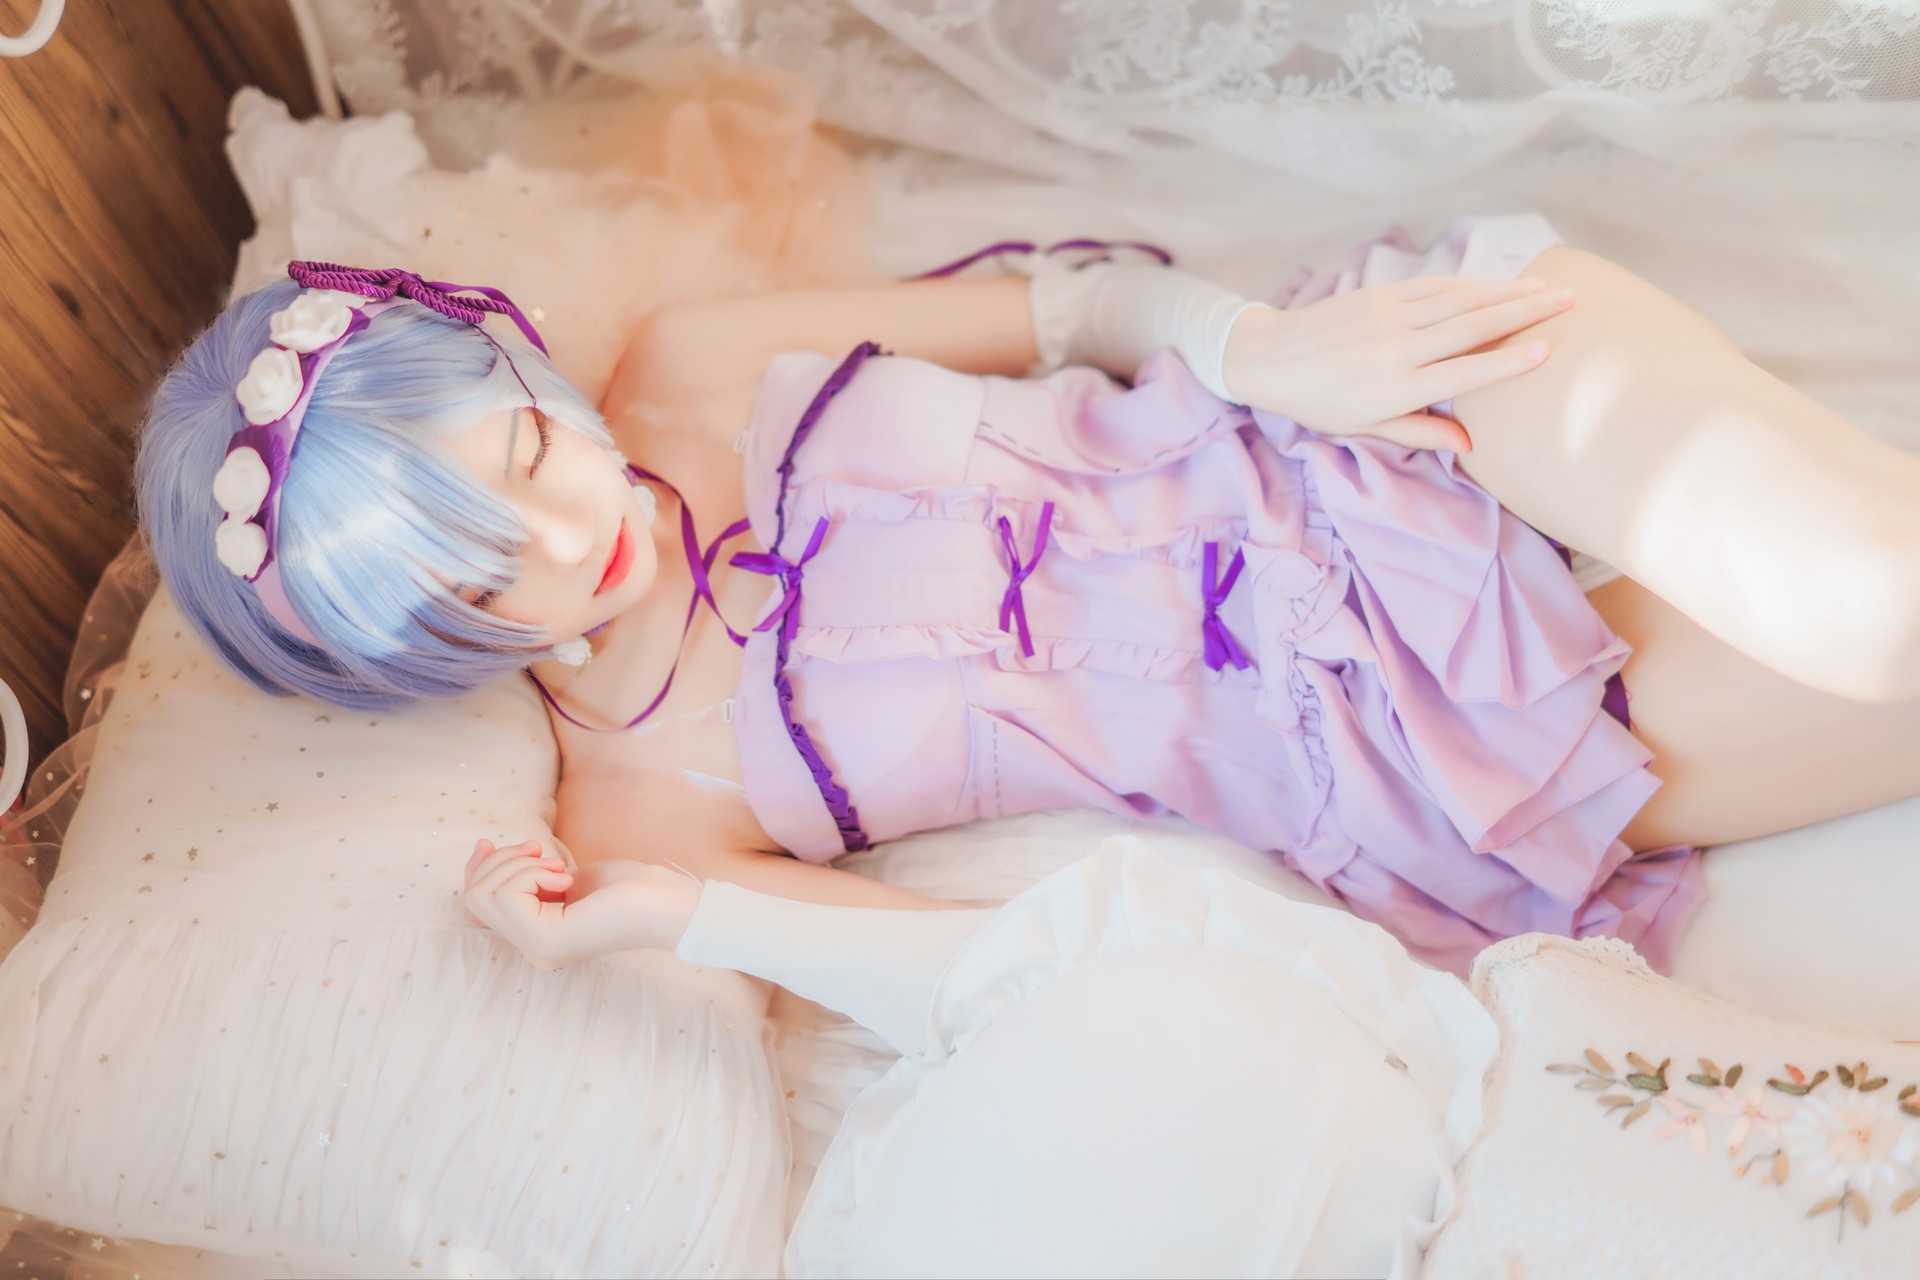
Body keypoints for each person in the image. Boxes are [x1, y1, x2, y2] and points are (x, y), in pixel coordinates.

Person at [137, 213, 1920, 978]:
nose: (567, 534)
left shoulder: (685, 365)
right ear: (415, 660)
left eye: (530, 445)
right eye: (478, 581)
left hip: (1377, 420)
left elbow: (1074, 308)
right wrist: (667, 925)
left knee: (1873, 600)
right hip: (1431, 755)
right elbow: (995, 971)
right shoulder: (641, 807)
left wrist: (1267, 353)